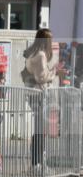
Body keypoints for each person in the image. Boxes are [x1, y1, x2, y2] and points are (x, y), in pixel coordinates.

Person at [23, 28, 60, 168]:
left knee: (40, 129)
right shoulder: (40, 55)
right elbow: (41, 77)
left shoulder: (33, 53)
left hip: (34, 94)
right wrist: (54, 73)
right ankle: (36, 162)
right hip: (39, 95)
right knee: (40, 130)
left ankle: (37, 161)